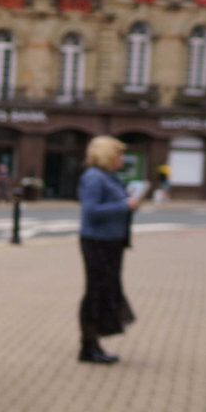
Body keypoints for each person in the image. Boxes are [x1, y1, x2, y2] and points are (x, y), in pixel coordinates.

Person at [76, 135, 141, 365]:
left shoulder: (109, 177)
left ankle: (93, 343)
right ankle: (88, 346)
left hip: (111, 242)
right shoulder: (94, 177)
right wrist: (125, 205)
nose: (122, 158)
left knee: (102, 290)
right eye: (119, 154)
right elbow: (91, 210)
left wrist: (129, 202)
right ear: (108, 156)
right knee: (95, 291)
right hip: (97, 242)